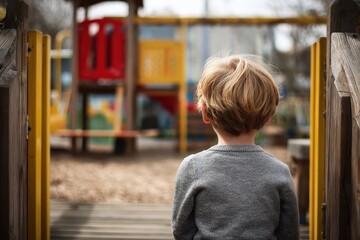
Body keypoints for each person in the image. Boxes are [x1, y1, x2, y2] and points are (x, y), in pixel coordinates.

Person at [172, 55, 299, 240]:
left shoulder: (192, 167)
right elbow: (289, 234)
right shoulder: (279, 171)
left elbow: (181, 230)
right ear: (267, 117)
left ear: (206, 114)